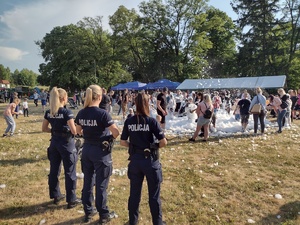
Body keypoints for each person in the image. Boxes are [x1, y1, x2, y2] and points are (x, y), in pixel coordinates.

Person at [120, 92, 167, 225]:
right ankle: (157, 222)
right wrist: (154, 146)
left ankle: (132, 221)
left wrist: (134, 147)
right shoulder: (152, 121)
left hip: (135, 160)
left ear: (135, 104)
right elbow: (163, 142)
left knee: (134, 193)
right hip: (150, 160)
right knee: (154, 195)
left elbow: (122, 142)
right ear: (147, 104)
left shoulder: (129, 121)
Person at [75, 84, 120, 224]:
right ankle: (103, 214)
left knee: (88, 182)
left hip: (87, 150)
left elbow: (77, 131)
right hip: (101, 152)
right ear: (100, 97)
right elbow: (116, 132)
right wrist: (110, 137)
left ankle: (88, 212)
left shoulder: (81, 113)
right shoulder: (102, 113)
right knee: (101, 184)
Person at [41, 87, 81, 209]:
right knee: (70, 171)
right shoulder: (66, 112)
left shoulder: (49, 112)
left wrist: (55, 130)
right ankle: (71, 199)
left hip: (54, 142)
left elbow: (44, 128)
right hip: (66, 143)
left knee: (54, 170)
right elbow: (74, 131)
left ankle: (55, 195)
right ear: (64, 98)